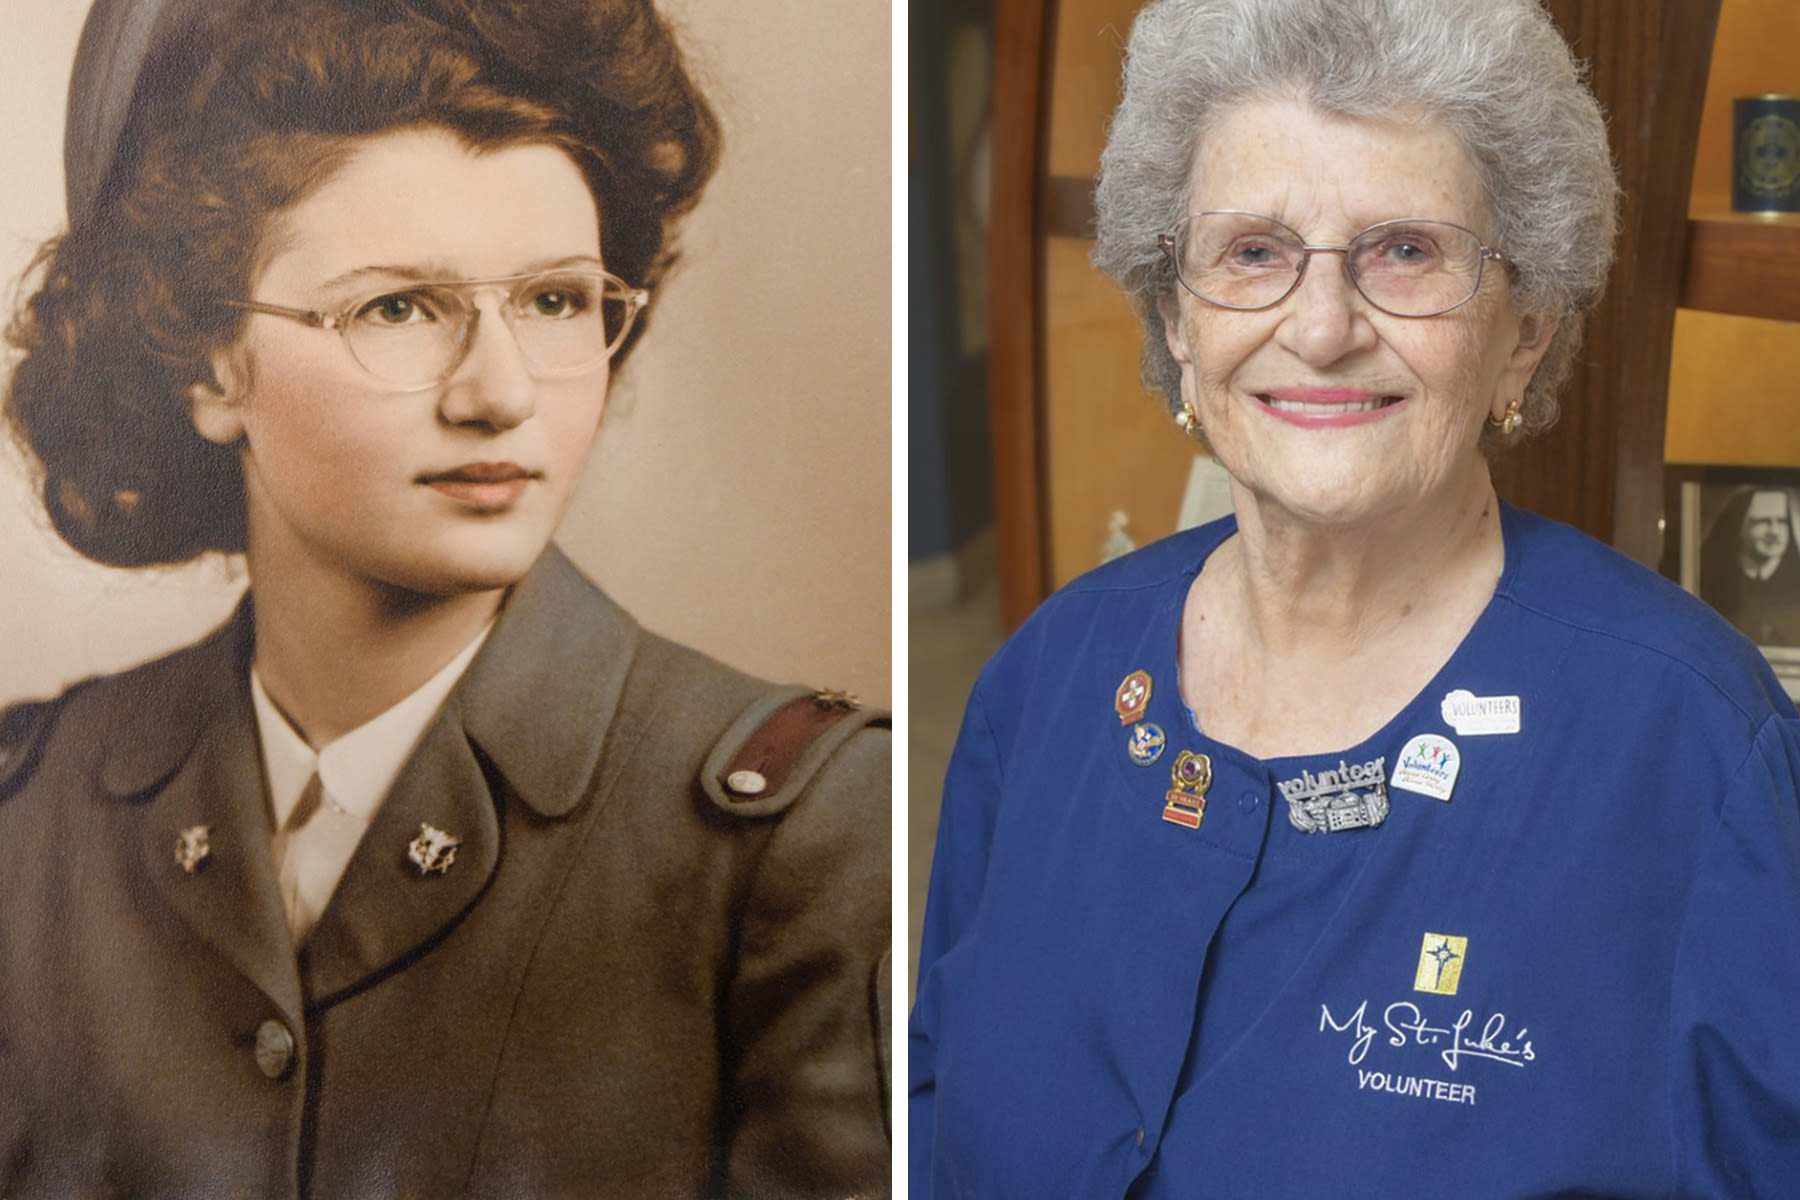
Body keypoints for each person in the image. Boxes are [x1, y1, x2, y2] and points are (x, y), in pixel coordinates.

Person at [909, 0, 1800, 1195]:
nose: (1321, 328)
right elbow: (928, 1105)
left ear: (1525, 331)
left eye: (1407, 250)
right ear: (1177, 317)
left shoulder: (1699, 753)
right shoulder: (1049, 674)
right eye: (1254, 253)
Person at [0, 1, 889, 1196]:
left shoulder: (801, 842)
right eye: (398, 308)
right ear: (206, 361)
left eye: (558, 300)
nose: (502, 392)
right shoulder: (31, 824)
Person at [1700, 485, 1800, 644]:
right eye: (1763, 522)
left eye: (1781, 522)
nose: (1774, 531)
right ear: (1739, 524)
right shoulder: (1709, 580)